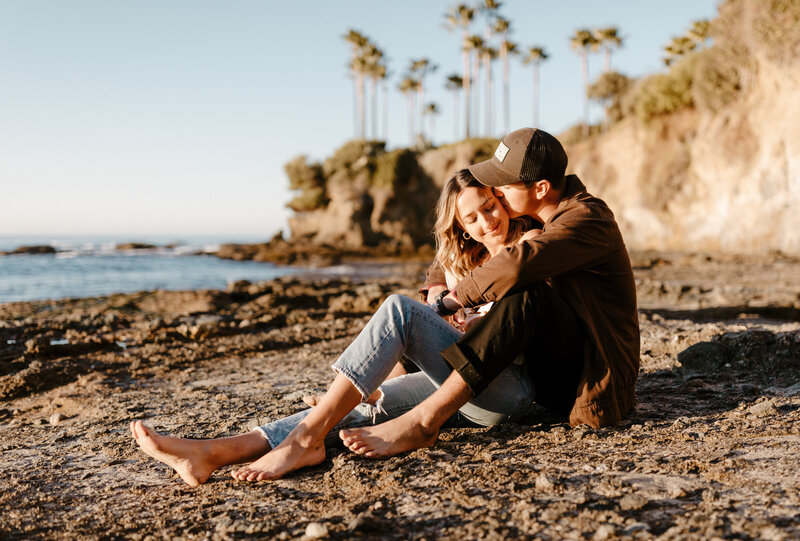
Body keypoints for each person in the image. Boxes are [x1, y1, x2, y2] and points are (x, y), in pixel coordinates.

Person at [130, 169, 537, 485]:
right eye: (472, 216)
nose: (486, 220)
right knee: (355, 407)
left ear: (503, 200)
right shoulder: (460, 265)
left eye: (490, 206)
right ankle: (213, 453)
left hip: (509, 389)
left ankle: (305, 442)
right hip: (460, 387)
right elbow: (441, 295)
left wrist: (443, 313)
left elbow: (512, 327)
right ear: (461, 226)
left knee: (400, 310)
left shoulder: (532, 246)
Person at [339, 127, 640, 458]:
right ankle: (306, 423)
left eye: (504, 184)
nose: (497, 191)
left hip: (593, 381)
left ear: (540, 188)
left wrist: (448, 303)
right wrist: (437, 286)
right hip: (549, 370)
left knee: (527, 291)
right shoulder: (541, 219)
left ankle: (425, 421)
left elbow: (514, 266)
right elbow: (459, 253)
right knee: (388, 379)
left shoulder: (584, 219)